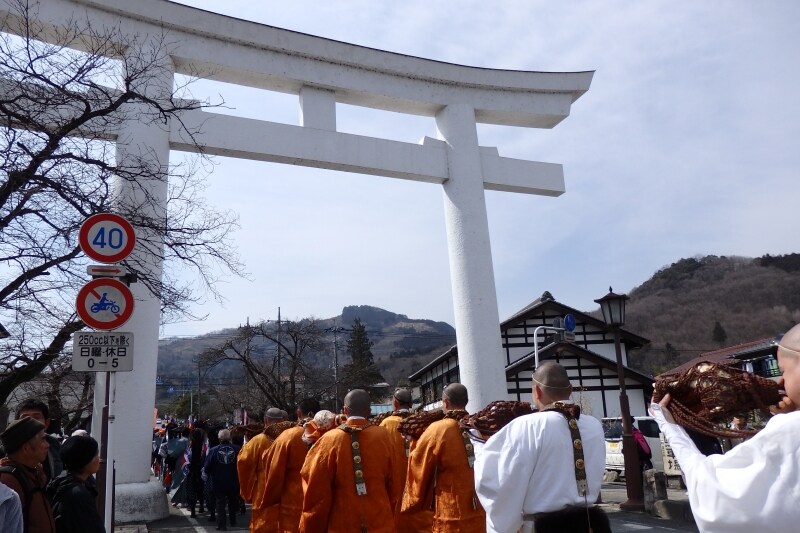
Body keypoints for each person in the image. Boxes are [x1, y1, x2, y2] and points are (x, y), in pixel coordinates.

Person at [650, 323, 800, 533]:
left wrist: (670, 427)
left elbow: (713, 491)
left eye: (783, 370)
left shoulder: (790, 429)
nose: (781, 381)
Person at [474, 362, 609, 533]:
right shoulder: (594, 426)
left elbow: (501, 483)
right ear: (570, 389)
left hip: (543, 526)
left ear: (537, 391)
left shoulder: (526, 426)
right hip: (590, 523)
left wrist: (479, 447)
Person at [299, 390, 399, 532]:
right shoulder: (385, 437)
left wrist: (311, 526)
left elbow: (316, 491)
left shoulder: (329, 439)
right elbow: (395, 484)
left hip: (342, 523)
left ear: (345, 410)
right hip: (380, 521)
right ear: (369, 411)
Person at [402, 383, 485, 532]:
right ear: (466, 401)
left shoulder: (438, 429)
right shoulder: (479, 425)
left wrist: (414, 442)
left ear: (445, 403)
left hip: (451, 512)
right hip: (481, 507)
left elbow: (419, 463)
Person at [260, 398, 320, 532]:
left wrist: (271, 497)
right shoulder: (331, 434)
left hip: (293, 501)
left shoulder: (288, 436)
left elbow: (273, 467)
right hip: (322, 501)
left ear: (299, 413)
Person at [380, 388, 430, 533]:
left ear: (395, 403)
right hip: (418, 478)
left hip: (394, 479)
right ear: (410, 404)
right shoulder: (422, 422)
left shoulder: (387, 424)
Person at [0, 416, 57, 532]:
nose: (47, 445)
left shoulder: (33, 474)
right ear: (26, 448)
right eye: (42, 440)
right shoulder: (8, 480)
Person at [237, 407, 284, 531]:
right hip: (288, 492)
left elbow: (244, 463)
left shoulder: (259, 440)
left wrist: (247, 492)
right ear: (283, 420)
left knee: (263, 524)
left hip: (264, 491)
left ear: (265, 420)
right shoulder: (292, 438)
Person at [46, 435, 104, 533]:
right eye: (96, 454)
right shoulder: (78, 494)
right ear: (87, 460)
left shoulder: (62, 481)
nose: (99, 458)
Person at [15, 399, 63, 483]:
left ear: (46, 423)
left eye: (36, 417)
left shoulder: (54, 445)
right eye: (24, 418)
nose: (30, 422)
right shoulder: (7, 448)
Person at [203, 429, 240, 531]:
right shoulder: (238, 449)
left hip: (218, 481)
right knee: (233, 501)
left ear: (219, 438)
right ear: (230, 438)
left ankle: (222, 525)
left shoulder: (213, 450)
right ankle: (233, 521)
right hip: (234, 480)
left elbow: (207, 467)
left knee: (220, 503)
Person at [185, 428, 206, 518]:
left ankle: (193, 511)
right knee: (200, 490)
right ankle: (201, 505)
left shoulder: (190, 446)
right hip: (201, 470)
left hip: (191, 471)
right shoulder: (204, 446)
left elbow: (186, 458)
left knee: (191, 491)